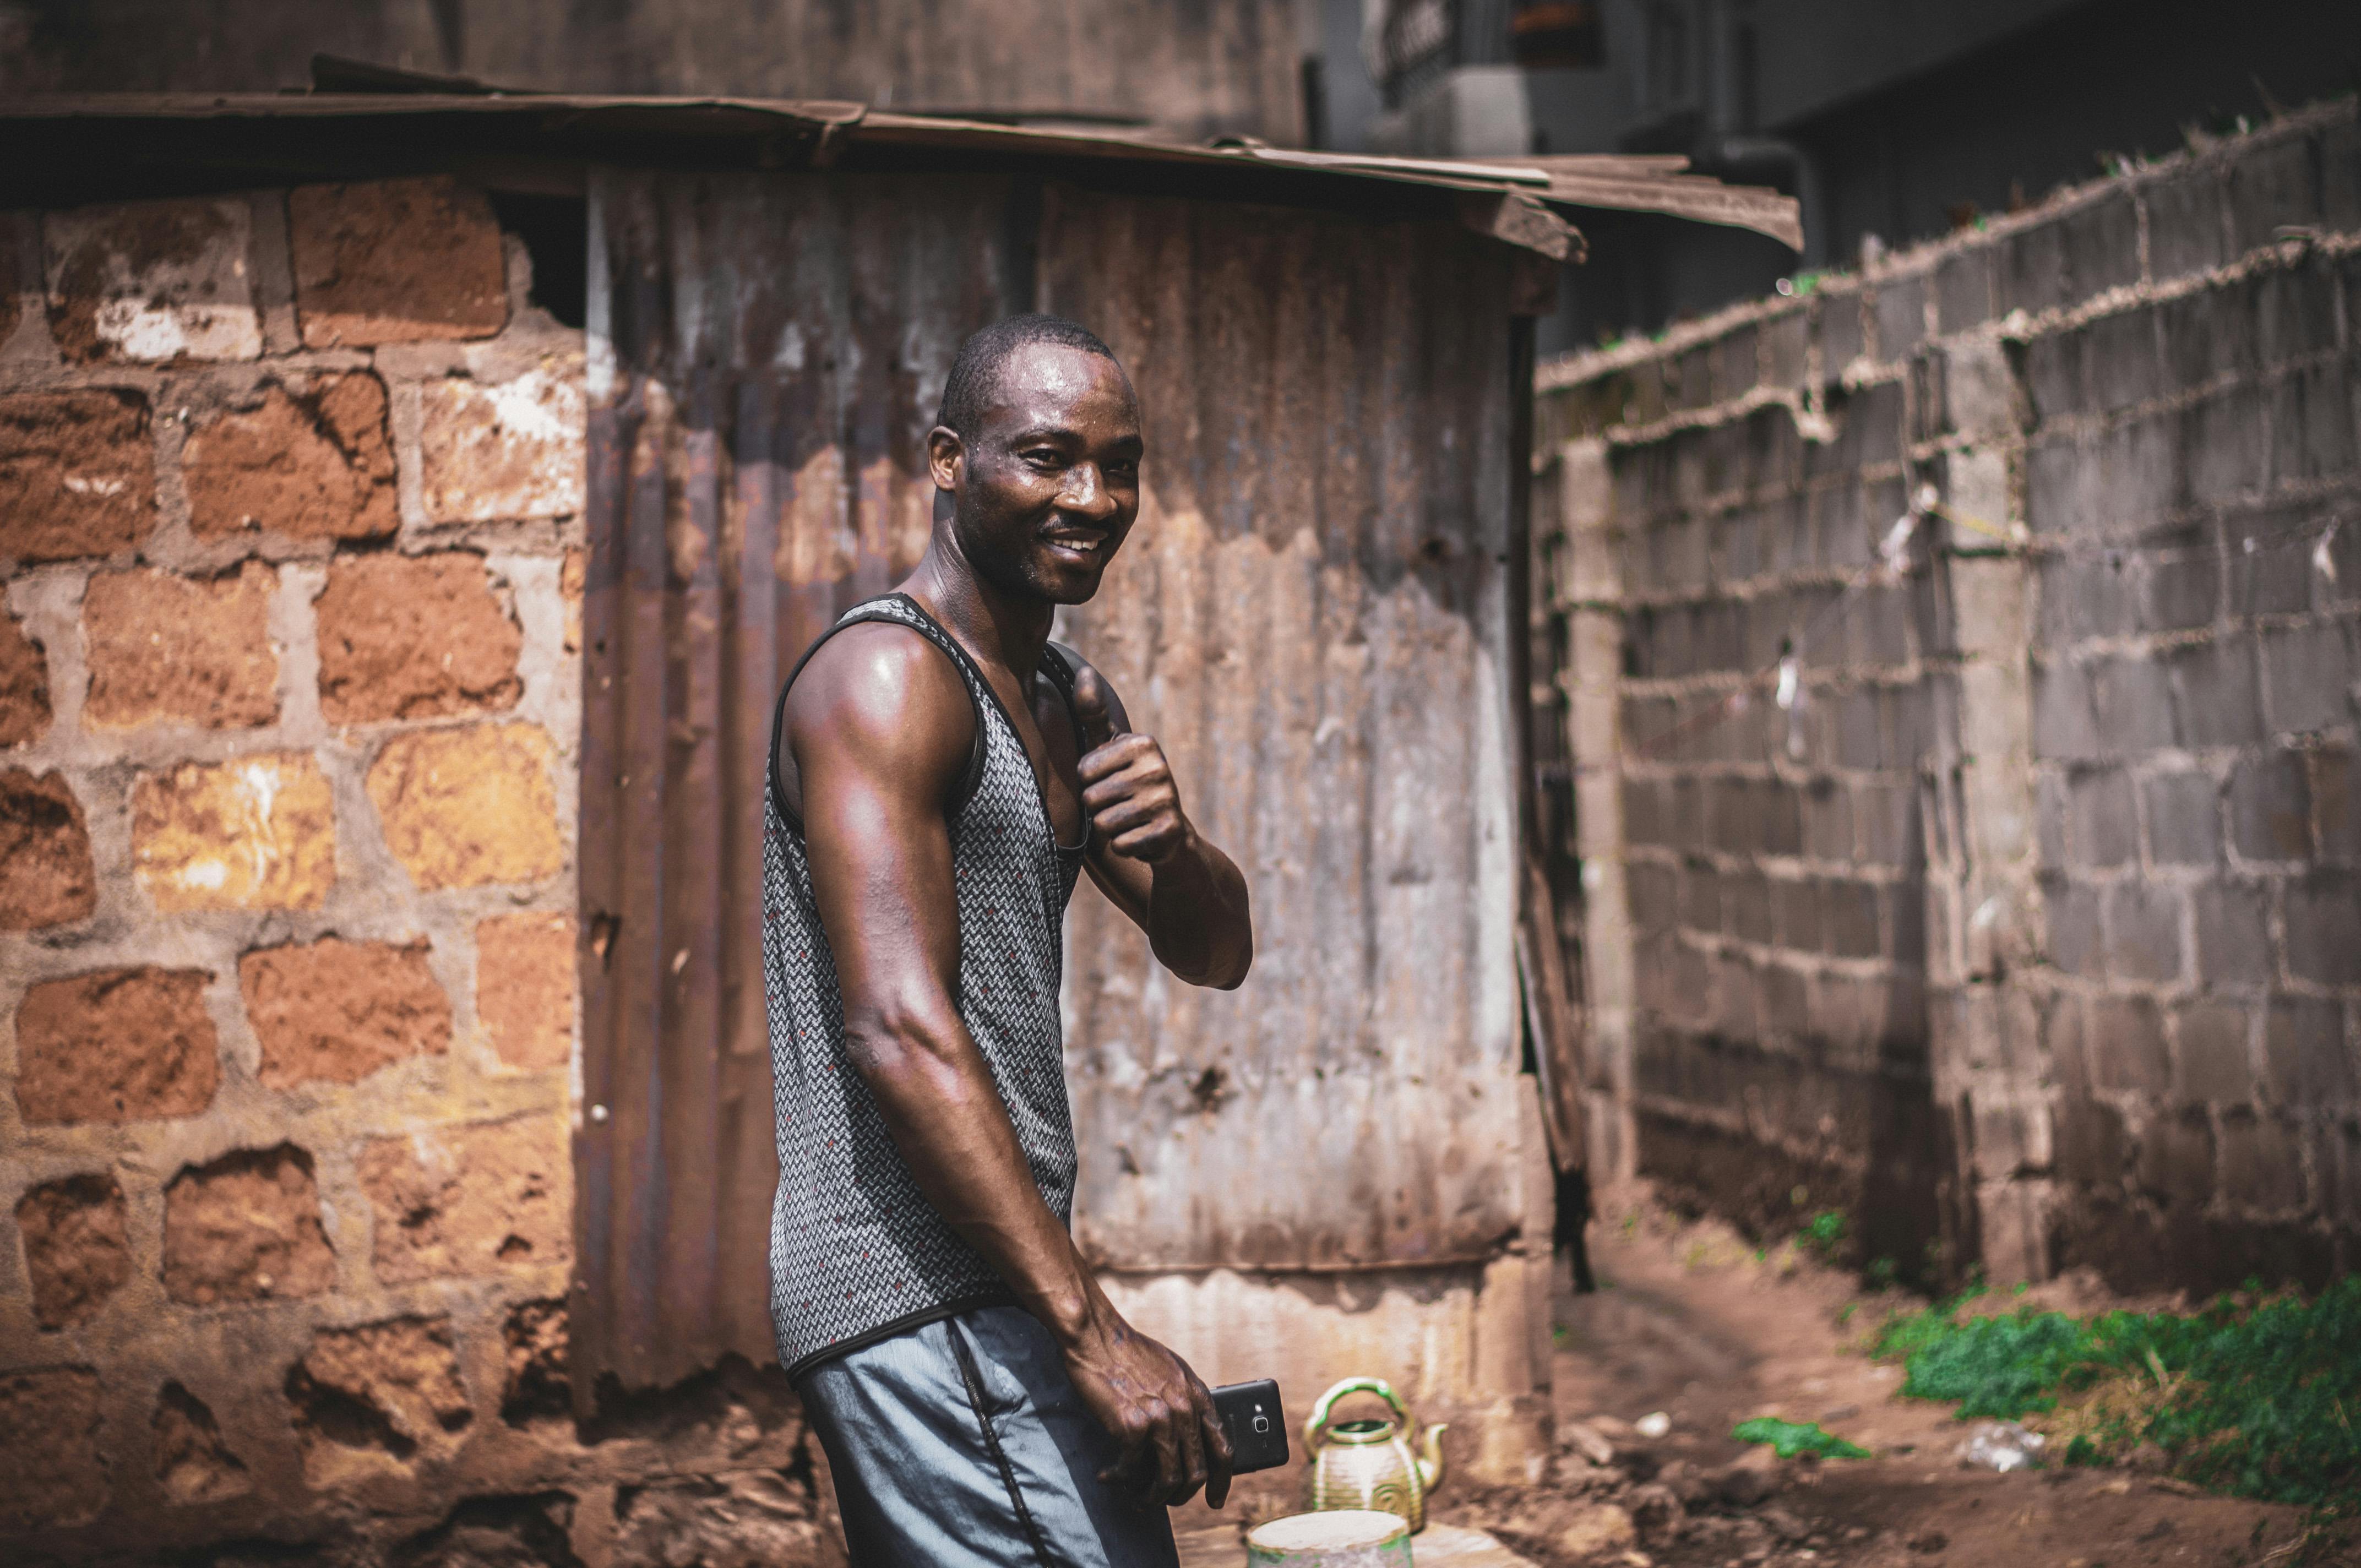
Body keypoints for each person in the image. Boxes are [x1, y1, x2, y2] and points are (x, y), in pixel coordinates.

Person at [762, 313, 1257, 1565]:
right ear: (947, 459)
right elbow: (897, 1028)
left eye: (1120, 464)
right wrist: (1093, 1333)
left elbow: (1213, 951)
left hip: (993, 1277)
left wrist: (1176, 839)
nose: (1092, 498)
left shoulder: (1064, 698)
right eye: (1046, 457)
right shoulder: (885, 678)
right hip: (912, 1284)